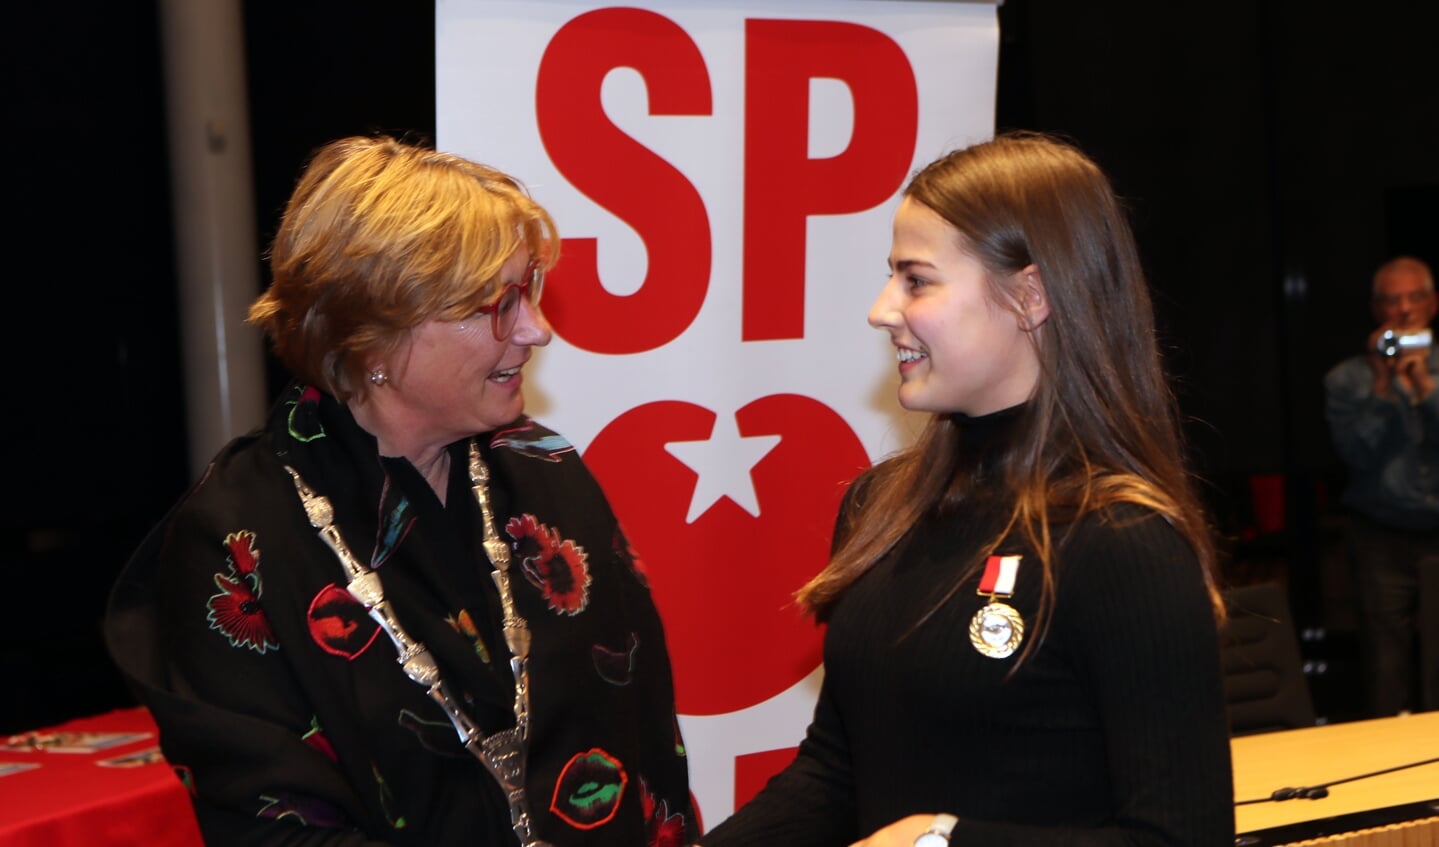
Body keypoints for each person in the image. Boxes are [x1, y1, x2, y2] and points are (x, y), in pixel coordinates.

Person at [104, 135, 698, 847]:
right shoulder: (239, 540)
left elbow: (648, 757)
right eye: (497, 305)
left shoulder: (543, 468)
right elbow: (271, 829)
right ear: (372, 335)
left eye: (530, 292)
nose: (538, 330)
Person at [697, 131, 1234, 847]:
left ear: (1029, 295)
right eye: (892, 276)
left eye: (915, 280)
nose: (882, 309)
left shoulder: (1120, 538)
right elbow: (837, 769)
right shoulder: (879, 508)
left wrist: (943, 840)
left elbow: (1182, 839)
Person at [1323, 255, 1439, 718]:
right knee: (1385, 668)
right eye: (1392, 301)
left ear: (1433, 303)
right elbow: (1355, 455)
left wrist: (1426, 388)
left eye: (1414, 298)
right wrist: (1383, 387)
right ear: (1376, 311)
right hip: (1381, 537)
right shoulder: (1347, 379)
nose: (1404, 310)